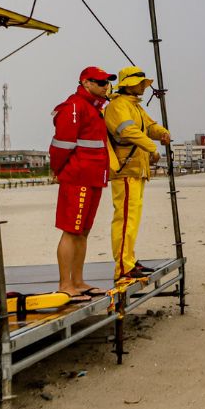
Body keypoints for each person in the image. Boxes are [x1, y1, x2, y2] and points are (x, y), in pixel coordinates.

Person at [49, 66, 116, 301]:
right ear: (86, 83)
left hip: (93, 178)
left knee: (83, 232)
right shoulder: (74, 107)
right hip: (77, 178)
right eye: (99, 82)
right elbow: (61, 146)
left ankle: (77, 280)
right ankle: (65, 284)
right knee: (71, 230)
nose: (105, 86)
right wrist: (58, 171)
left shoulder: (94, 109)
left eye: (106, 82)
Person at [104, 66, 171, 282]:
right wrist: (152, 147)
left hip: (136, 170)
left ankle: (129, 260)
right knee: (125, 219)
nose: (143, 87)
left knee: (131, 219)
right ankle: (123, 266)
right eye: (139, 83)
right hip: (125, 169)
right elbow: (128, 131)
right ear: (129, 84)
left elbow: (148, 126)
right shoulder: (117, 106)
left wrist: (162, 133)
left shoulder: (134, 106)